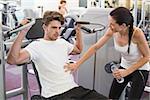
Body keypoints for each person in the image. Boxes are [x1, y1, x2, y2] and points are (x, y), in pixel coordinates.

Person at [7, 11, 107, 100]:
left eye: (59, 28)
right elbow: (12, 60)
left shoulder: (62, 42)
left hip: (74, 89)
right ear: (45, 27)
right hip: (55, 95)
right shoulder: (36, 46)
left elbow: (78, 50)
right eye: (54, 27)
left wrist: (78, 32)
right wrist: (22, 32)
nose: (57, 31)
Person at [64, 7, 150, 100]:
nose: (109, 26)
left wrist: (127, 72)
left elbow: (147, 56)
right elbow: (95, 47)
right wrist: (77, 64)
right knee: (112, 97)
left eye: (112, 24)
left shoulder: (137, 33)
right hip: (125, 65)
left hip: (140, 68)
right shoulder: (112, 31)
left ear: (123, 25)